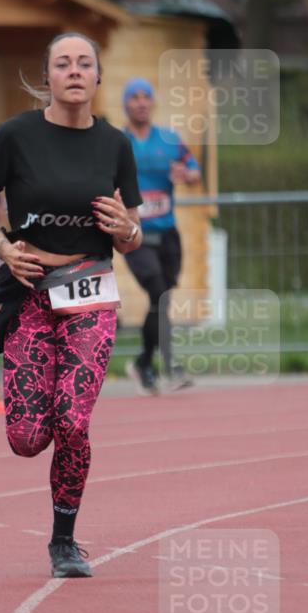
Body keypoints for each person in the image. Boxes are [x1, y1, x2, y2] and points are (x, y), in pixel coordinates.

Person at [0, 33, 142, 579]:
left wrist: (127, 229)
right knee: (26, 438)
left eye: (84, 63)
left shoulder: (114, 143)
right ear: (47, 76)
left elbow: (134, 230)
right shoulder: (16, 135)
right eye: (62, 64)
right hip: (32, 292)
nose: (74, 71)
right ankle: (47, 475)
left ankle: (63, 540)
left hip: (91, 293)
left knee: (72, 418)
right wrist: (3, 249)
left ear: (97, 77)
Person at [121, 78, 200, 394]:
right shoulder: (117, 142)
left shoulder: (170, 140)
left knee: (161, 300)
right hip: (135, 235)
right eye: (134, 97)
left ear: (152, 103)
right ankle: (159, 366)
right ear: (126, 104)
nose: (140, 102)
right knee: (156, 289)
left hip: (168, 234)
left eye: (146, 97)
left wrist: (187, 175)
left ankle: (147, 365)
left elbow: (194, 171)